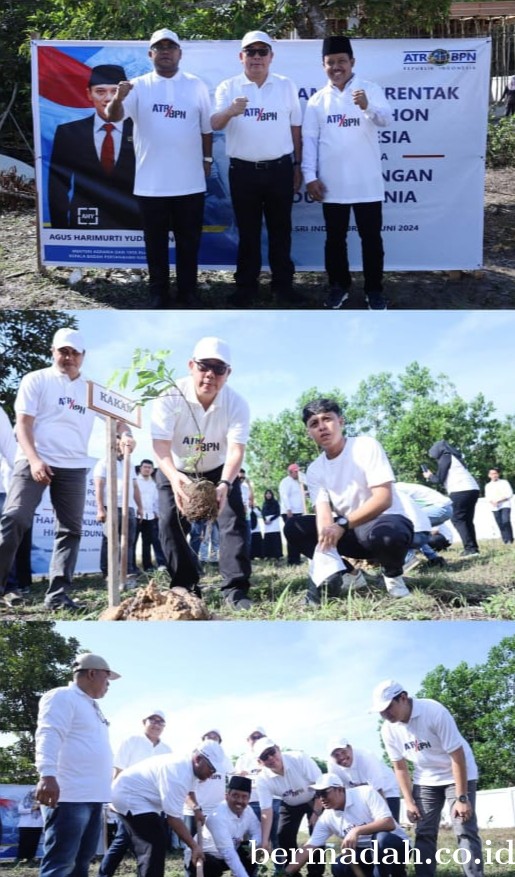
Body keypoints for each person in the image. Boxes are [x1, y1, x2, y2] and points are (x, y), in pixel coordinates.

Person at [0, 328, 131, 612]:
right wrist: (34, 460)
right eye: (63, 351)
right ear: (53, 351)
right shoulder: (36, 379)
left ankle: (57, 597)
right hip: (33, 459)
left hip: (73, 466)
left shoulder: (92, 390)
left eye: (74, 352)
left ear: (83, 356)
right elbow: (22, 424)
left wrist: (125, 435)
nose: (68, 357)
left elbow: (120, 420)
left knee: (70, 530)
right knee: (14, 519)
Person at [105, 28, 213, 309]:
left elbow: (206, 128)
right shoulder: (137, 85)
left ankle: (189, 293)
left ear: (180, 53)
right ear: (150, 54)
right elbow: (113, 117)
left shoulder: (196, 85)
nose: (165, 51)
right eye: (159, 47)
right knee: (155, 245)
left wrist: (207, 160)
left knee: (189, 243)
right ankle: (159, 295)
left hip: (190, 182)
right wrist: (118, 97)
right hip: (151, 183)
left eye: (170, 47)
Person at [151, 336, 252, 610]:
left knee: (233, 522)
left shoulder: (237, 404)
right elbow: (160, 445)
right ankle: (185, 584)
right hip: (177, 466)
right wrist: (174, 478)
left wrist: (225, 484)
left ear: (228, 374)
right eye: (204, 366)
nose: (210, 375)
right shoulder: (170, 396)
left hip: (219, 469)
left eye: (219, 369)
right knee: (169, 521)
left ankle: (235, 590)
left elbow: (235, 450)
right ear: (190, 366)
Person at [283, 398, 413, 602]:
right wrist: (325, 555)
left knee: (387, 535)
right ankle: (350, 574)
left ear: (341, 421)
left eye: (327, 419)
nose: (322, 427)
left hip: (384, 522)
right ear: (309, 432)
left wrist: (342, 524)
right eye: (314, 424)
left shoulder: (365, 446)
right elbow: (323, 515)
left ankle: (393, 576)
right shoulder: (316, 469)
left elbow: (383, 498)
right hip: (351, 532)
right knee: (294, 527)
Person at [211, 30, 302, 306]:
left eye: (263, 52)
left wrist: (297, 165)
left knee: (280, 230)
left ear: (271, 57)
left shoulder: (286, 85)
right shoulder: (228, 87)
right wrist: (229, 111)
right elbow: (214, 124)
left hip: (280, 170)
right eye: (251, 52)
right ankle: (246, 288)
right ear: (241, 57)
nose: (257, 57)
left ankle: (282, 288)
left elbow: (295, 127)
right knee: (248, 232)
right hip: (243, 172)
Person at [302, 36, 392, 310]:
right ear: (323, 65)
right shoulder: (317, 100)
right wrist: (310, 177)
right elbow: (309, 141)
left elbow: (386, 120)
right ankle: (338, 287)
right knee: (334, 240)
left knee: (372, 240)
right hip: (332, 184)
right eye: (331, 62)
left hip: (366, 182)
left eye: (342, 61)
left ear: (352, 62)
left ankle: (374, 291)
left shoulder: (370, 89)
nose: (336, 67)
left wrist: (367, 106)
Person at [371, 679, 484, 877]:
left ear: (403, 698)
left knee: (464, 828)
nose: (385, 714)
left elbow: (457, 756)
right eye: (381, 711)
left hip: (457, 771)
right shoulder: (388, 729)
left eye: (388, 708)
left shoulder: (433, 711)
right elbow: (400, 767)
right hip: (425, 779)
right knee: (424, 832)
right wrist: (409, 801)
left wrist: (462, 798)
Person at [35, 653, 121, 877]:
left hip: (92, 797)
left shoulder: (91, 706)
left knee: (81, 863)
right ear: (92, 673)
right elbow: (49, 734)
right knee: (61, 863)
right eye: (107, 678)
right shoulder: (62, 696)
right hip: (69, 796)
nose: (108, 685)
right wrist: (47, 775)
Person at [110, 740, 227, 877]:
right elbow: (173, 819)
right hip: (130, 797)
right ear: (198, 759)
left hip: (144, 800)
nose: (212, 774)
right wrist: (194, 846)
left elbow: (189, 791)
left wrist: (196, 809)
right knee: (153, 845)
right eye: (211, 769)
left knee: (153, 843)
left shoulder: (191, 768)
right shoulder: (178, 772)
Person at [48, 64, 141, 230]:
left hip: (136, 224)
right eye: (100, 91)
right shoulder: (69, 133)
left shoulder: (141, 129)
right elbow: (58, 185)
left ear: (126, 95)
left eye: (115, 91)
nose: (108, 98)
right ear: (88, 94)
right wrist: (60, 230)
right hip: (85, 224)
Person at [283, 773, 409, 877]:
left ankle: (397, 873)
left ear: (340, 789)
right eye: (317, 794)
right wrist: (285, 874)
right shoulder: (327, 817)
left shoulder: (365, 793)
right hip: (365, 854)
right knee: (339, 865)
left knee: (381, 839)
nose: (321, 798)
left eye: (324, 793)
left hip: (395, 846)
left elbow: (388, 823)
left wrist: (356, 831)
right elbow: (309, 847)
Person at [98, 710, 171, 877]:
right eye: (153, 720)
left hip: (152, 805)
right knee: (127, 840)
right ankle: (104, 873)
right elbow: (119, 770)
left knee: (130, 841)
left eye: (161, 722)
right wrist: (112, 798)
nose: (156, 724)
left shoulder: (167, 750)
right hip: (130, 800)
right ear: (144, 722)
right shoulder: (131, 741)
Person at [254, 737, 323, 877]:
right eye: (264, 757)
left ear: (278, 748)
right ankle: (292, 873)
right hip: (289, 804)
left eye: (271, 752)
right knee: (282, 834)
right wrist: (265, 841)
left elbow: (322, 787)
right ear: (260, 762)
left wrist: (316, 813)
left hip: (313, 799)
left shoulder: (299, 758)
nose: (271, 758)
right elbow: (266, 810)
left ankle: (315, 873)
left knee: (317, 832)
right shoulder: (262, 779)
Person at [186, 776, 260, 877]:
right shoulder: (218, 817)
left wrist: (254, 846)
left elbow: (257, 832)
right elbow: (228, 853)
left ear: (249, 799)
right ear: (227, 796)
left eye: (244, 797)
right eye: (235, 795)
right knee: (212, 867)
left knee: (250, 849)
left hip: (228, 854)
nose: (239, 801)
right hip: (205, 856)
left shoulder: (248, 811)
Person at [94, 435, 143, 582]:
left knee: (128, 540)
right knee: (110, 541)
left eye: (121, 445)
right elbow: (99, 486)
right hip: (111, 507)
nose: (119, 448)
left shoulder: (129, 463)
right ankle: (108, 573)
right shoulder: (104, 462)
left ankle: (127, 571)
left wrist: (140, 506)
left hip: (129, 508)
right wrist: (100, 508)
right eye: (115, 445)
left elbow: (134, 487)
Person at [425, 441, 480, 557]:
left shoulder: (445, 457)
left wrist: (429, 476)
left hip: (460, 490)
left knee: (457, 519)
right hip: (473, 489)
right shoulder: (454, 457)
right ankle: (473, 548)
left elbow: (439, 479)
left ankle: (470, 549)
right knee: (467, 520)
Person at [327, 736, 400, 819]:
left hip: (386, 790)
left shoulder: (366, 756)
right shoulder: (332, 765)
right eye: (336, 755)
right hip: (362, 795)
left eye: (343, 752)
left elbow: (378, 789)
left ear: (350, 748)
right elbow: (338, 793)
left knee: (389, 822)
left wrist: (388, 820)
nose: (341, 757)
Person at [135, 459, 167, 570]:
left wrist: (157, 513)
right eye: (145, 467)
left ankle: (147, 565)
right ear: (140, 468)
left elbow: (156, 501)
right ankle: (131, 566)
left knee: (148, 542)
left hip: (150, 516)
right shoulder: (135, 482)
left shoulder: (154, 484)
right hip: (136, 516)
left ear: (152, 470)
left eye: (149, 467)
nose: (147, 469)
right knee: (132, 542)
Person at [279, 463, 305, 565]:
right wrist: (289, 510)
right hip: (290, 513)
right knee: (292, 536)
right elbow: (284, 496)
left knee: (298, 536)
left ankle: (297, 558)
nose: (298, 473)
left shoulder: (297, 482)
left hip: (298, 511)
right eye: (296, 472)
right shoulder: (285, 482)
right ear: (291, 472)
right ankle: (292, 560)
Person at [484, 467, 514, 544]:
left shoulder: (504, 482)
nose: (494, 475)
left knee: (505, 521)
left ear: (498, 474)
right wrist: (492, 502)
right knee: (500, 523)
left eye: (495, 473)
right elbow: (488, 497)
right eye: (492, 474)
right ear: (489, 475)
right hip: (494, 507)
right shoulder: (488, 485)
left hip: (505, 505)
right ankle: (505, 540)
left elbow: (509, 493)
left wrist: (499, 500)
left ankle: (510, 539)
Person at [16, 788, 43, 867]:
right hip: (25, 825)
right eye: (34, 793)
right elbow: (20, 810)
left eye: (37, 793)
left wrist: (40, 807)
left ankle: (31, 858)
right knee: (23, 842)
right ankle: (20, 858)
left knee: (34, 842)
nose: (35, 794)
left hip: (38, 825)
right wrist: (32, 809)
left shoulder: (43, 802)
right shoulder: (24, 801)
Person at [261, 489, 282, 559]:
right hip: (266, 523)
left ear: (272, 495)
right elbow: (263, 513)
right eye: (267, 494)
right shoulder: (264, 503)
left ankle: (277, 555)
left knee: (275, 538)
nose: (268, 495)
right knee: (268, 538)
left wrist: (271, 519)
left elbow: (278, 513)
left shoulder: (275, 502)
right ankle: (268, 555)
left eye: (269, 494)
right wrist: (264, 520)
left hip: (274, 521)